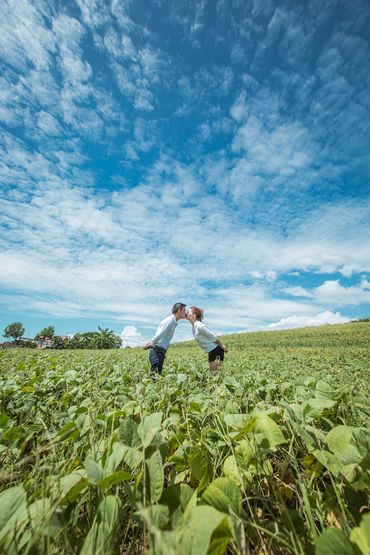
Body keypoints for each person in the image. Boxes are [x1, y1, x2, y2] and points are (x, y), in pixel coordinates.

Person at [144, 303, 187, 375]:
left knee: (157, 373)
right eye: (184, 310)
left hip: (160, 350)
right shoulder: (170, 320)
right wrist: (151, 343)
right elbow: (160, 334)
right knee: (155, 375)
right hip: (157, 350)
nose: (186, 313)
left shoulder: (174, 322)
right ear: (179, 310)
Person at [187, 306, 228, 371]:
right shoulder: (194, 327)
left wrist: (222, 346)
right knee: (216, 373)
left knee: (215, 374)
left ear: (194, 315)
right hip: (211, 351)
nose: (186, 313)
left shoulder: (200, 326)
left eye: (188, 312)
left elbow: (213, 336)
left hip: (216, 350)